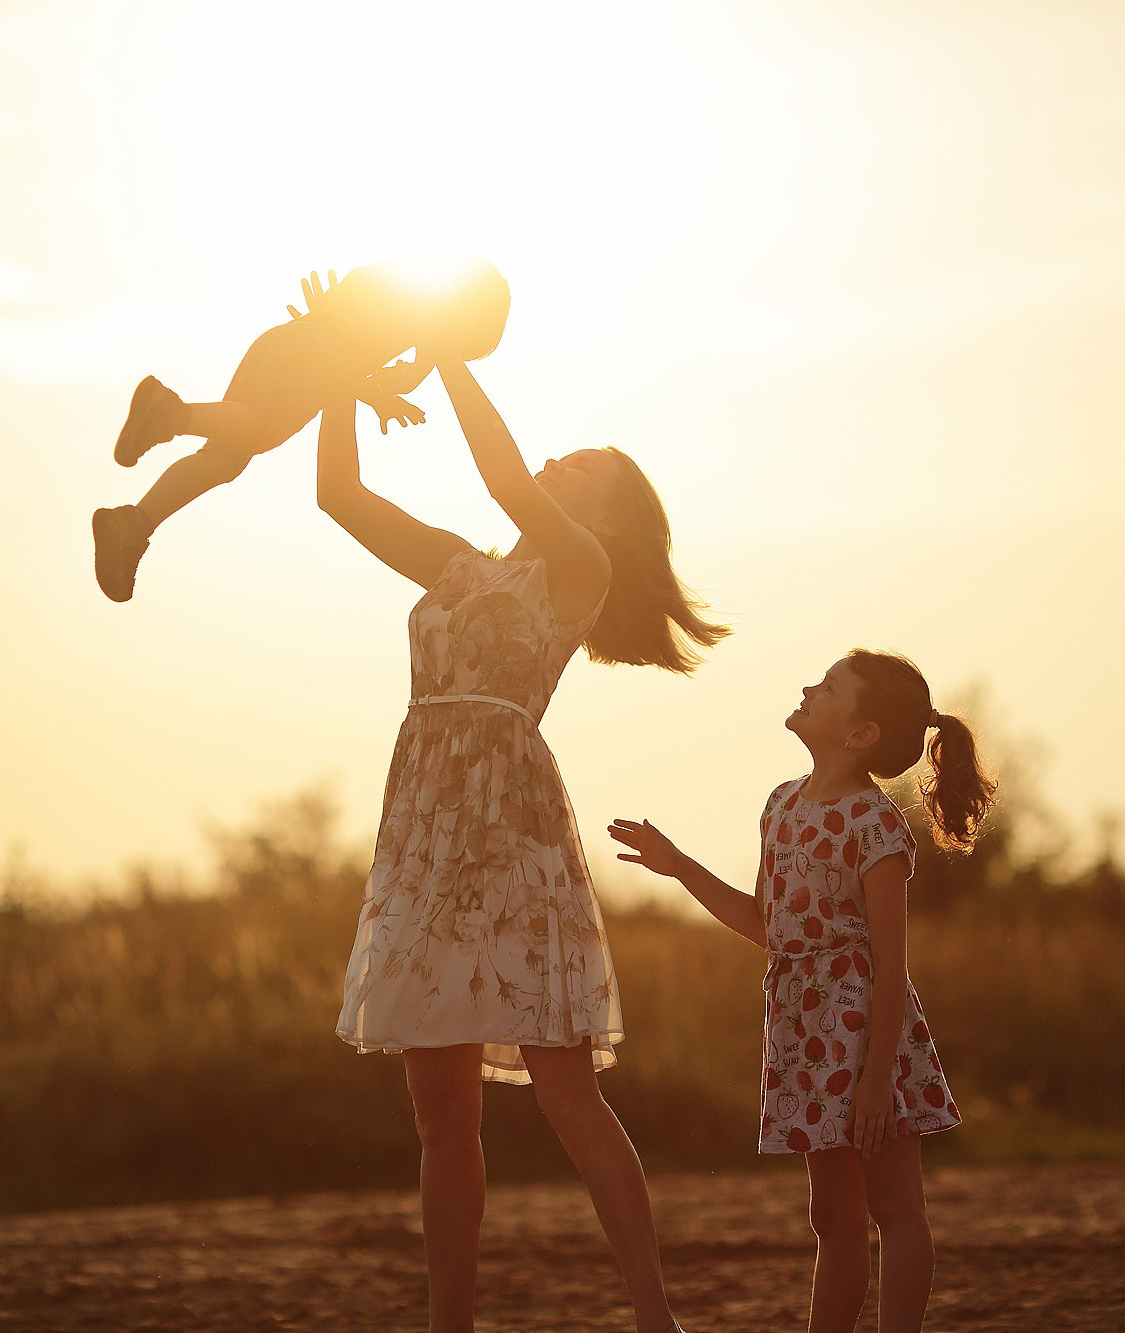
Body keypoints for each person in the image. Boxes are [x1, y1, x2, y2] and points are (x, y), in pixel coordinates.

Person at [314, 272, 726, 1333]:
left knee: (564, 1091)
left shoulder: (577, 569)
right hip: (422, 831)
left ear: (603, 512)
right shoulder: (456, 568)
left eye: (579, 465)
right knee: (440, 1119)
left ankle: (654, 1319)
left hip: (508, 831)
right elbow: (339, 497)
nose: (554, 461)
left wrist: (447, 346)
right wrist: (329, 369)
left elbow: (501, 476)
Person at [608, 650, 994, 1333]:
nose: (810, 687)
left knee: (896, 1209)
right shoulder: (780, 805)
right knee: (832, 1216)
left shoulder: (876, 826)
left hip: (869, 1036)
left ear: (861, 734)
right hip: (805, 1033)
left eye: (831, 686)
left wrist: (877, 1079)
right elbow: (766, 925)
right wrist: (679, 866)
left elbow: (889, 963)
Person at [91, 258, 511, 602]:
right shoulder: (431, 317)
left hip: (282, 340)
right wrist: (395, 386)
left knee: (224, 456)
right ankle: (169, 414)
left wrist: (369, 388)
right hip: (316, 357)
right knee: (262, 430)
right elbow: (396, 374)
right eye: (460, 347)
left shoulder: (394, 283)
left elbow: (344, 345)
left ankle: (135, 522)